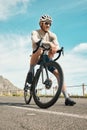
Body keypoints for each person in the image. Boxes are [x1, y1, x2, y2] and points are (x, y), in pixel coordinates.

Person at [25, 14, 76, 106]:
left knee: (58, 73)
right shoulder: (35, 32)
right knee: (40, 49)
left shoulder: (52, 35)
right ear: (41, 24)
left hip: (46, 58)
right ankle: (30, 72)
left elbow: (57, 44)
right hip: (36, 56)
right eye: (46, 23)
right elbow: (35, 39)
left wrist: (56, 48)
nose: (48, 25)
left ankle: (67, 98)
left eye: (50, 24)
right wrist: (49, 43)